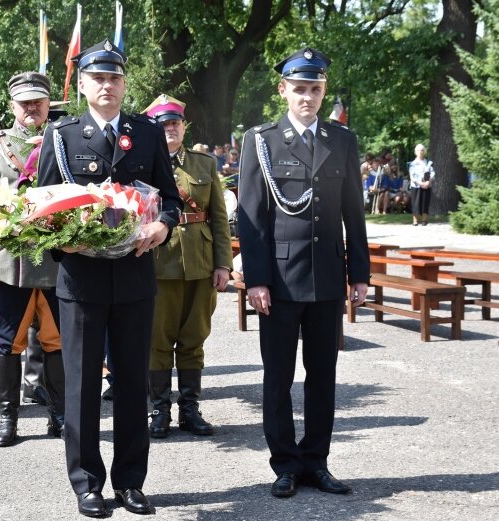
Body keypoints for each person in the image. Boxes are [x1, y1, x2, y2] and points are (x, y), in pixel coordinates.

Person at [37, 40, 183, 517]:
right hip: (81, 280)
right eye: (98, 78)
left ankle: (130, 482)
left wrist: (164, 225)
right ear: (82, 85)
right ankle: (87, 483)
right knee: (80, 385)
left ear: (125, 84)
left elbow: (170, 197)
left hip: (136, 276)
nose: (107, 85)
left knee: (131, 380)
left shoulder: (146, 133)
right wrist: (65, 241)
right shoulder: (62, 135)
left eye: (115, 78)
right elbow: (38, 210)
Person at [237, 47, 370, 499]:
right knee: (277, 376)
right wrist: (255, 279)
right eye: (299, 89)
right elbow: (251, 217)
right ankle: (285, 464)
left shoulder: (343, 141)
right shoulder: (260, 141)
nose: (308, 97)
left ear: (323, 90)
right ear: (283, 90)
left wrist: (360, 274)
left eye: (315, 89)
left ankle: (316, 461)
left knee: (323, 374)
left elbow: (355, 212)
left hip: (328, 277)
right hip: (278, 279)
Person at [0, 72, 65, 447]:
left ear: (48, 104)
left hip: (58, 258)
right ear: (12, 106)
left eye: (38, 101)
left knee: (58, 340)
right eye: (24, 102)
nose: (31, 107)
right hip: (12, 261)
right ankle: (7, 416)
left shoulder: (64, 138)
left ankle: (59, 413)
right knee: (7, 341)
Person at [143, 94, 233, 439]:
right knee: (158, 339)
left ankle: (190, 408)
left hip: (200, 262)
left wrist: (223, 264)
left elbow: (220, 220)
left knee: (194, 339)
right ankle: (159, 409)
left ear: (184, 127)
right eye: (164, 124)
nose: (170, 129)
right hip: (159, 262)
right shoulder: (144, 163)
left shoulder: (204, 164)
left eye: (175, 123)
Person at [408, 143, 435, 226]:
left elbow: (432, 173)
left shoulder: (429, 163)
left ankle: (424, 220)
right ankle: (415, 220)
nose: (420, 152)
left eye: (422, 150)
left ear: (425, 152)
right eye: (419, 150)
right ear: (415, 152)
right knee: (415, 203)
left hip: (427, 186)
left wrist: (428, 182)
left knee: (425, 203)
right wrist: (420, 183)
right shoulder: (412, 164)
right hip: (416, 186)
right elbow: (412, 176)